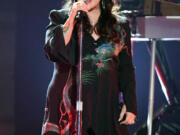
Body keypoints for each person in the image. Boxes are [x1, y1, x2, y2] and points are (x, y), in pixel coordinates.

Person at [41, 0, 138, 135]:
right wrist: (73, 16)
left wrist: (130, 103)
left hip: (105, 103)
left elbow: (126, 68)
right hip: (69, 104)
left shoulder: (120, 26)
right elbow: (54, 50)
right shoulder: (60, 18)